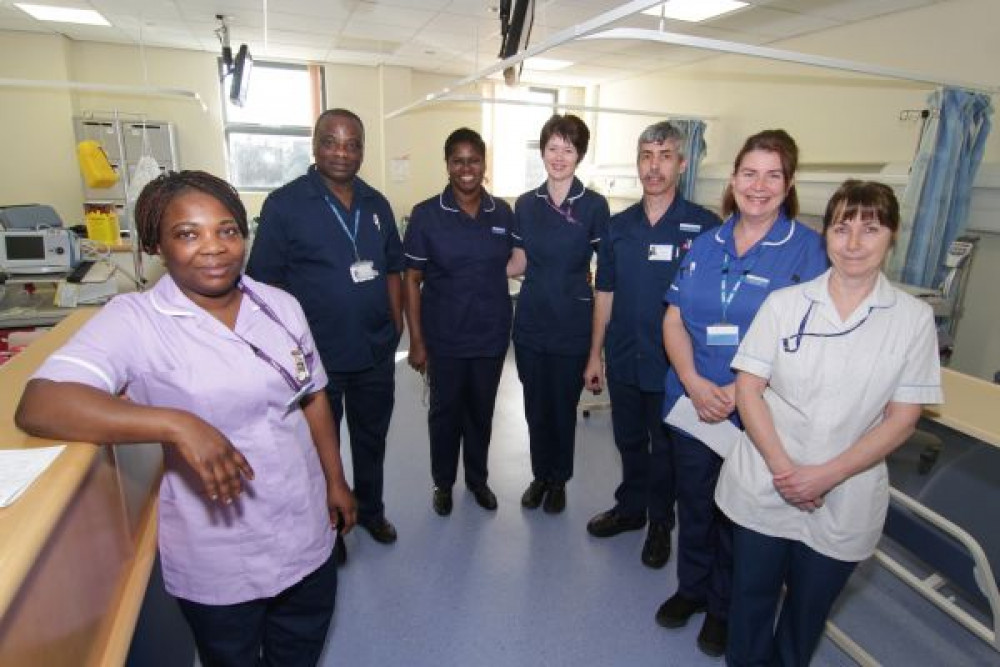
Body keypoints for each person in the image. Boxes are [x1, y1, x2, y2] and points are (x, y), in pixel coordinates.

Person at [15, 171, 356, 666]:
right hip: (219, 546)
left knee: (300, 649)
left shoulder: (279, 305)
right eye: (188, 234)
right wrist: (177, 423)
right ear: (157, 244)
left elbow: (314, 397)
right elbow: (41, 404)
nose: (214, 247)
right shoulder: (134, 320)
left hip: (302, 522)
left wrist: (336, 481)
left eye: (227, 230)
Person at [718, 180, 942, 666]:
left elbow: (903, 419)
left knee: (806, 615)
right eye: (842, 228)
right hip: (765, 478)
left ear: (893, 235)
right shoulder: (786, 304)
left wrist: (824, 474)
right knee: (750, 606)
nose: (855, 242)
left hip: (845, 489)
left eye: (871, 228)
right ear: (826, 235)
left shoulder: (912, 319)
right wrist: (785, 469)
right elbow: (749, 388)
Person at [657, 130, 828, 657]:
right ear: (733, 180)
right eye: (749, 173)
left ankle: (724, 607)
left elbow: (807, 342)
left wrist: (737, 392)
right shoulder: (705, 244)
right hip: (693, 402)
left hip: (757, 411)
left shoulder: (809, 251)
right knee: (695, 501)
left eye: (772, 174)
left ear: (789, 183)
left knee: (739, 514)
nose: (759, 186)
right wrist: (692, 380)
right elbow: (674, 317)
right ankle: (691, 588)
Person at [247, 108, 404, 548]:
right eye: (331, 141)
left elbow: (393, 268)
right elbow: (265, 285)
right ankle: (330, 525)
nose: (342, 152)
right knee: (321, 449)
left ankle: (371, 510)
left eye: (352, 143)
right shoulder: (284, 205)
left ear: (362, 151)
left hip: (374, 350)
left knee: (372, 439)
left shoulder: (377, 204)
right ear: (314, 146)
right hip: (316, 358)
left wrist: (397, 326)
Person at [584, 121, 720, 569]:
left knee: (666, 450)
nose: (654, 166)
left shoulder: (704, 227)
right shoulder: (618, 227)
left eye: (665, 156)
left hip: (674, 366)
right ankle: (631, 508)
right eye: (646, 156)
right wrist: (594, 355)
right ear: (637, 163)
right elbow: (605, 292)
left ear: (682, 164)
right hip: (624, 354)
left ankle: (661, 522)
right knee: (627, 440)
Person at [402, 128, 515, 516]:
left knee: (481, 412)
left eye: (474, 160)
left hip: (490, 335)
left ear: (484, 163)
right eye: (458, 160)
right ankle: (443, 483)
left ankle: (477, 480)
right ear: (447, 164)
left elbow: (513, 262)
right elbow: (411, 280)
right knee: (445, 413)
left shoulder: (501, 212)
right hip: (445, 336)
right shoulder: (426, 214)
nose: (466, 168)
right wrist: (416, 340)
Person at [507, 113, 610, 514]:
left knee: (562, 406)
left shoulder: (594, 206)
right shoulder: (525, 205)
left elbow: (608, 277)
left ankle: (559, 479)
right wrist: (468, 268)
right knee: (535, 406)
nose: (559, 156)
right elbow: (517, 262)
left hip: (572, 322)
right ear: (543, 150)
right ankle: (539, 475)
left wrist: (596, 350)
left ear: (579, 154)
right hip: (531, 320)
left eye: (568, 149)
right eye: (553, 147)